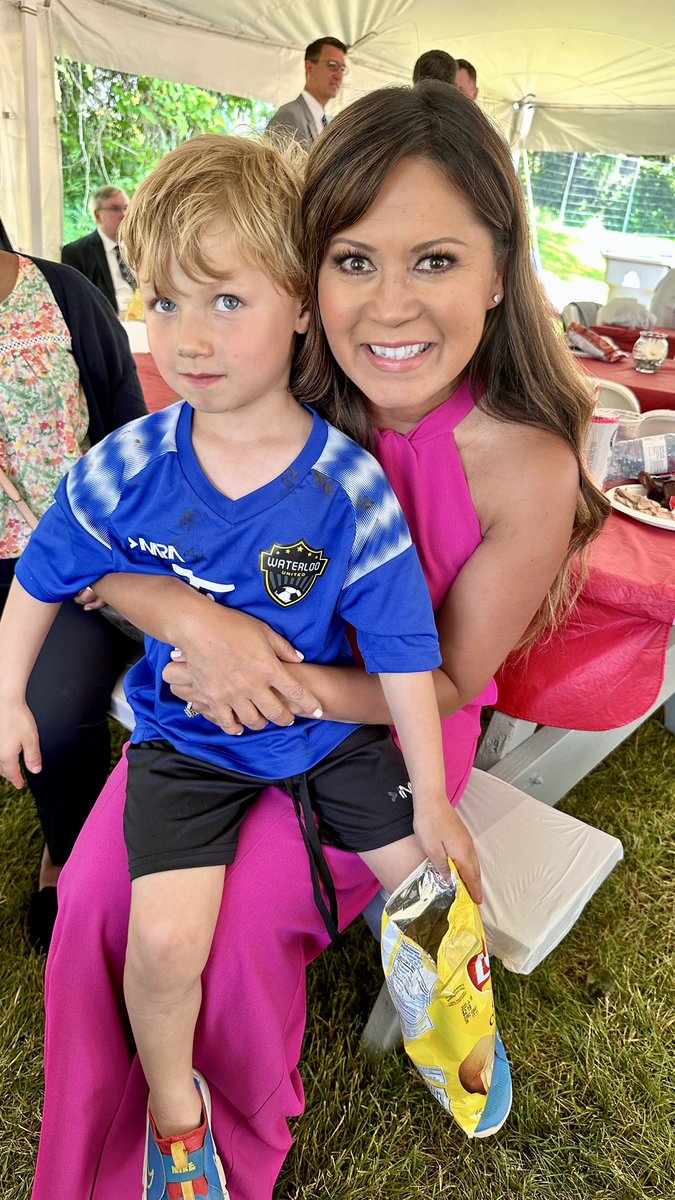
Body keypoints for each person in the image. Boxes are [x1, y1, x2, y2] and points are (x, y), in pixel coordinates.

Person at [31, 82, 608, 1200]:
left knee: (240, 928)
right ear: (304, 283)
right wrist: (192, 618)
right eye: (353, 260)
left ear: (501, 268)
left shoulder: (527, 464)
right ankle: (119, 1144)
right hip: (205, 717)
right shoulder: (261, 384)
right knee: (101, 907)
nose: (390, 307)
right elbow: (100, 555)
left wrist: (280, 681)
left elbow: (442, 682)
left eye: (435, 260)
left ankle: (241, 1141)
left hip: (387, 736)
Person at [0, 246, 146, 950]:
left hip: (77, 568)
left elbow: (131, 434)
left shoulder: (61, 295)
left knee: (51, 711)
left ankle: (68, 854)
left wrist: (115, 550)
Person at [62, 185, 136, 315]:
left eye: (126, 208)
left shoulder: (140, 246)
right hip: (109, 322)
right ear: (97, 215)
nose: (123, 215)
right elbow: (78, 302)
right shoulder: (77, 253)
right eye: (115, 209)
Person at [266, 37, 348, 148]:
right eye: (332, 65)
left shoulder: (323, 122)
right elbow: (273, 165)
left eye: (342, 69)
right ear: (309, 67)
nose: (339, 76)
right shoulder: (289, 115)